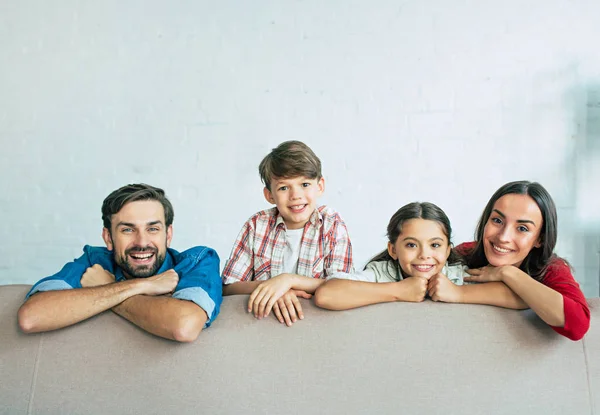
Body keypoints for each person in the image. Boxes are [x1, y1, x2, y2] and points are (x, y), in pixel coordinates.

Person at [17, 184, 222, 342]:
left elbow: (184, 326)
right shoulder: (95, 262)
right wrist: (142, 286)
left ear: (168, 234)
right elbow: (31, 317)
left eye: (153, 229)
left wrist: (108, 289)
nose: (142, 242)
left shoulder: (197, 261)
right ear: (108, 237)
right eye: (127, 229)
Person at [427, 180, 590, 341]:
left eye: (522, 228)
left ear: (539, 239)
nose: (503, 237)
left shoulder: (552, 268)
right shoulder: (466, 252)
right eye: (497, 220)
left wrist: (508, 273)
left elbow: (578, 324)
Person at [221, 140, 354, 326]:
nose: (295, 195)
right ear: (269, 195)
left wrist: (287, 281)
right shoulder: (256, 225)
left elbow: (344, 286)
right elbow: (228, 287)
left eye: (305, 184)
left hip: (317, 326)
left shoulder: (332, 225)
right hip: (262, 328)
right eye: (284, 188)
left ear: (320, 186)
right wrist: (273, 289)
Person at [314, 202, 467, 310]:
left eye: (435, 245)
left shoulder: (460, 276)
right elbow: (326, 295)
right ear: (393, 250)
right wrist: (398, 291)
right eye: (411, 245)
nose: (424, 255)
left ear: (447, 250)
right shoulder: (380, 273)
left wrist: (457, 292)